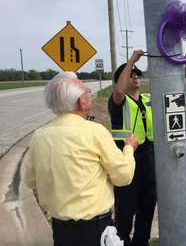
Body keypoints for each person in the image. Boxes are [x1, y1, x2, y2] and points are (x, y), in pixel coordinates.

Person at [21, 72, 138, 246]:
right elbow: (123, 176)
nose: (90, 96)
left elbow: (29, 180)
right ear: (81, 102)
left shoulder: (39, 136)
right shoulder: (94, 132)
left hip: (60, 230)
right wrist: (129, 148)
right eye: (88, 93)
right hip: (96, 230)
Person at [108, 50, 156, 246]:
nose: (135, 76)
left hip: (149, 159)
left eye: (138, 74)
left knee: (147, 208)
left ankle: (140, 243)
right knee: (125, 211)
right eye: (131, 74)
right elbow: (119, 92)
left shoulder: (148, 100)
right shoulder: (119, 102)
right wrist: (131, 62)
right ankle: (122, 242)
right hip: (126, 158)